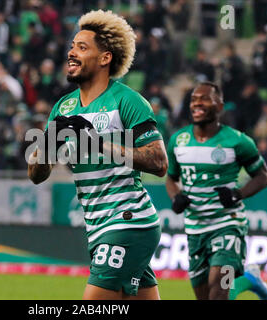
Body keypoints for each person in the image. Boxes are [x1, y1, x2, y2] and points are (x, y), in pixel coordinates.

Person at [28, 10, 168, 300]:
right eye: (71, 47)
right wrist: (48, 143)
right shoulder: (63, 108)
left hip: (128, 223)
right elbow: (37, 175)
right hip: (98, 226)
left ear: (105, 58)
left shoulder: (128, 101)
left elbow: (159, 162)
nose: (71, 53)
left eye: (82, 47)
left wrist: (98, 143)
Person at [165, 82, 267, 300]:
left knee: (220, 290)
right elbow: (171, 178)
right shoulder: (179, 140)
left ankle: (242, 279)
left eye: (204, 99)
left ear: (220, 106)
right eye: (194, 99)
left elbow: (263, 175)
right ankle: (248, 280)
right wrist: (176, 196)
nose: (197, 103)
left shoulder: (238, 141)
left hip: (227, 225)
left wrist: (237, 194)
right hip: (195, 231)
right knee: (207, 297)